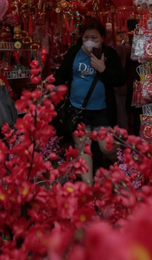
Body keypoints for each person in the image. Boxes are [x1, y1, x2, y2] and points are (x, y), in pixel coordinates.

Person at [54, 18, 126, 186]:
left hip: (102, 111)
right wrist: (56, 94)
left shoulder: (109, 55)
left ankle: (124, 165)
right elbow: (61, 75)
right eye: (86, 37)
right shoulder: (74, 52)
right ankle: (88, 188)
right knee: (82, 146)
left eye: (94, 37)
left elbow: (120, 80)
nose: (89, 41)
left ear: (102, 38)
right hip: (78, 110)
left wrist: (103, 70)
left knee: (106, 147)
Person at [105, 23, 128, 131]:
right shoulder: (109, 47)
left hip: (117, 87)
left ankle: (121, 141)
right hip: (112, 85)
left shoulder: (117, 47)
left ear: (109, 33)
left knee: (120, 115)